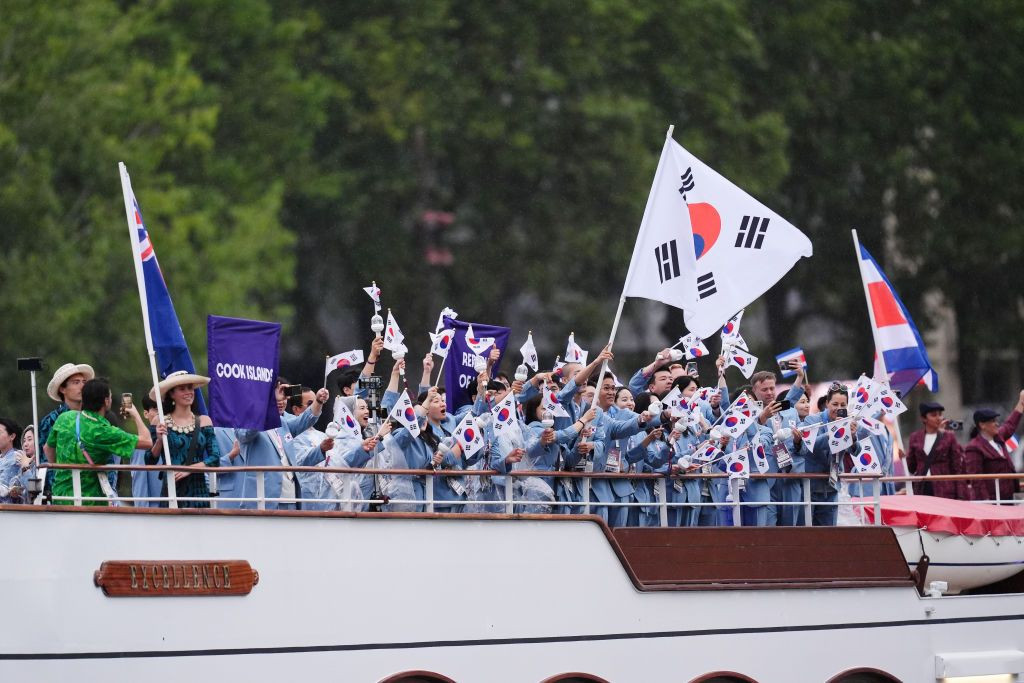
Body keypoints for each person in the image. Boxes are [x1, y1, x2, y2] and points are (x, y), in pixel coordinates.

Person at [44, 378, 153, 506]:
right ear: (106, 401)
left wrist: (60, 469)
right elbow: (147, 442)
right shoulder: (103, 431)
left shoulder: (64, 418)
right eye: (110, 397)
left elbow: (47, 448)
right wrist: (135, 415)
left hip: (60, 496)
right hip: (90, 502)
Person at [145, 371, 222, 508]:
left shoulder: (204, 421)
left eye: (190, 388)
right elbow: (149, 460)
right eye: (182, 389)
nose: (188, 392)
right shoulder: (160, 421)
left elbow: (215, 458)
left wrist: (189, 469)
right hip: (172, 493)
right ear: (171, 394)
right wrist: (159, 441)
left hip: (199, 494)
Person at [962, 391, 1024, 503]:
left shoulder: (998, 438)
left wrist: (1021, 402)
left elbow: (1010, 424)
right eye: (992, 421)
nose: (997, 424)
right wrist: (987, 503)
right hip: (992, 501)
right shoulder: (974, 447)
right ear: (982, 425)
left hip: (1009, 497)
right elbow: (977, 479)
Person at [904, 401, 963, 498]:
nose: (938, 418)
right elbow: (911, 467)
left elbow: (957, 466)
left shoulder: (949, 436)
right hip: (922, 486)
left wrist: (960, 492)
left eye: (940, 414)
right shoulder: (915, 437)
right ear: (923, 418)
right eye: (933, 415)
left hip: (944, 487)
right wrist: (904, 456)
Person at [129, 396, 163, 507]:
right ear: (146, 413)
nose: (159, 413)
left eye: (162, 409)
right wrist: (142, 511)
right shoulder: (143, 443)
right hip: (155, 509)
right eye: (155, 409)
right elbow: (140, 482)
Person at [0, 418, 26, 503]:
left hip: (8, 510)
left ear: (12, 436)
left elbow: (4, 489)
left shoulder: (17, 457)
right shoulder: (2, 457)